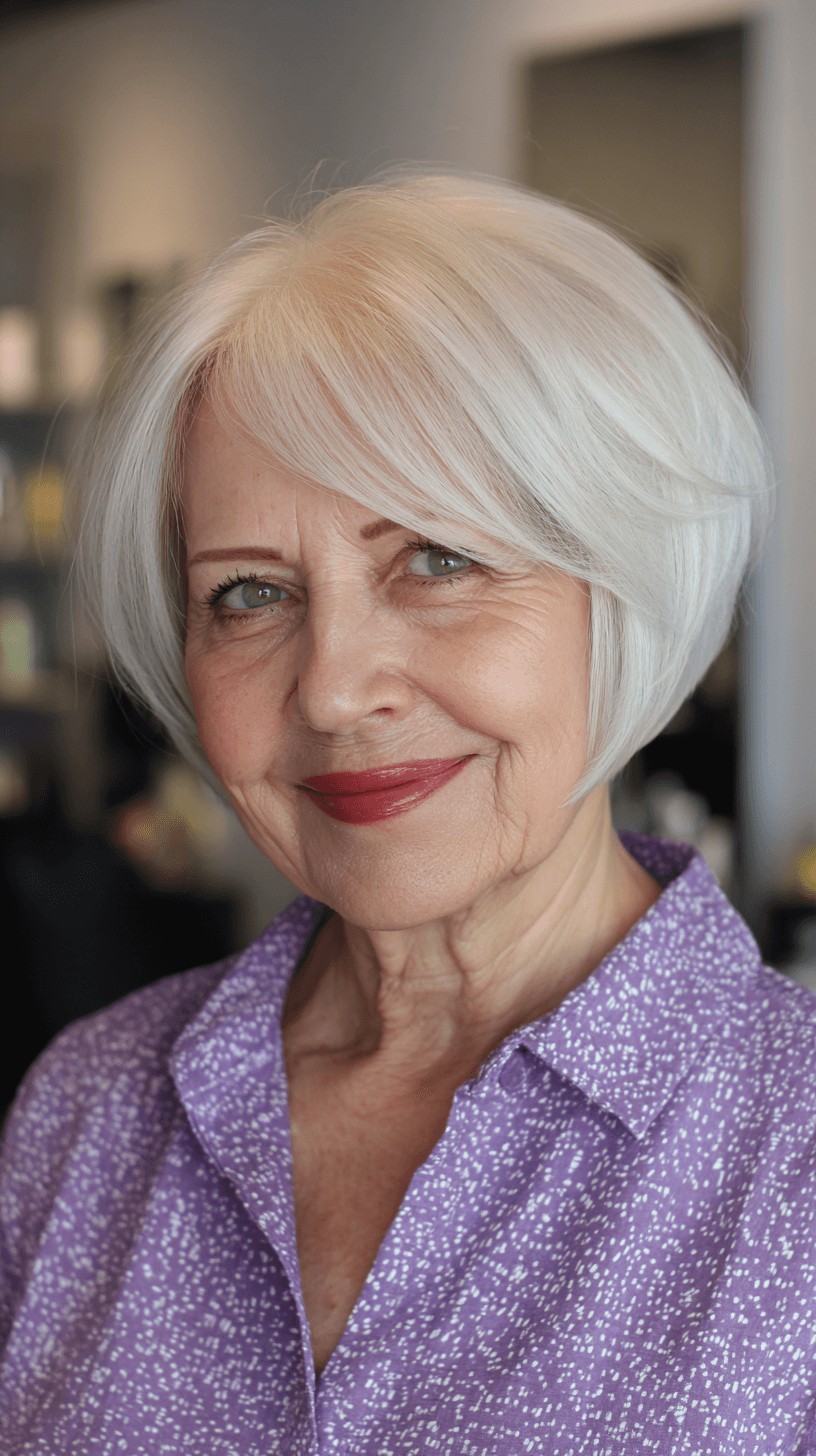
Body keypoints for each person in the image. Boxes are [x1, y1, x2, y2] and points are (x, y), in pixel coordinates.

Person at [0, 168, 812, 1456]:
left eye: (439, 559)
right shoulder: (90, 1112)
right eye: (251, 595)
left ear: (631, 584)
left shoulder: (794, 1146)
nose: (331, 686)